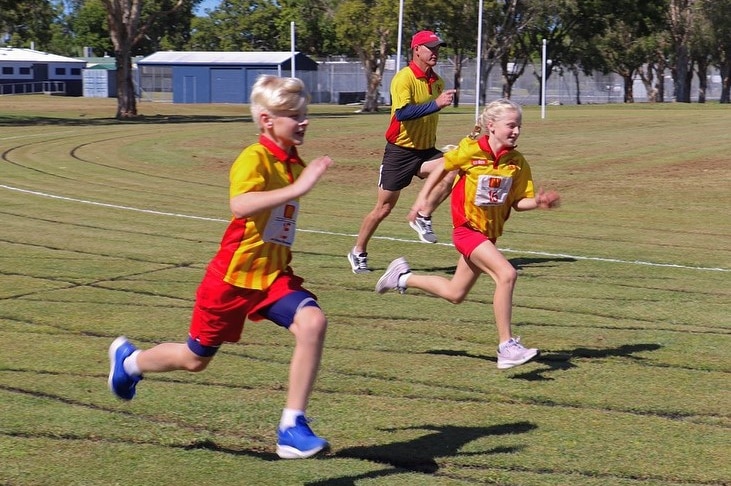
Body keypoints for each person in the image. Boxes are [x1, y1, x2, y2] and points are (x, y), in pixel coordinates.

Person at [107, 75, 333, 459]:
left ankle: (291, 426)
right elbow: (241, 204)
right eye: (294, 115)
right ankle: (130, 362)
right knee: (195, 360)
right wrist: (299, 189)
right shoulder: (254, 157)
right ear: (266, 120)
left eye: (304, 113)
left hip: (272, 275)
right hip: (232, 278)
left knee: (313, 322)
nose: (303, 121)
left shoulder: (295, 163)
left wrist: (299, 183)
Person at [375, 99, 561, 370]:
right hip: (467, 231)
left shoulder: (517, 163)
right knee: (507, 274)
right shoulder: (471, 151)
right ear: (491, 126)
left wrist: (539, 202)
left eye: (519, 126)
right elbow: (441, 169)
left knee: (455, 293)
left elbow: (518, 202)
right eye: (511, 125)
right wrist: (421, 202)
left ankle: (402, 277)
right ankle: (506, 345)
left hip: (489, 235)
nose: (516, 131)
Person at [347, 30, 457, 274]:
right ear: (416, 49)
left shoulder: (437, 81)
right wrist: (436, 104)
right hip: (399, 152)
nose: (435, 53)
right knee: (383, 209)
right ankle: (358, 252)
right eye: (430, 48)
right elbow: (402, 113)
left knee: (453, 166)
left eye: (438, 48)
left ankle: (423, 215)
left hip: (426, 151)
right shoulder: (403, 79)